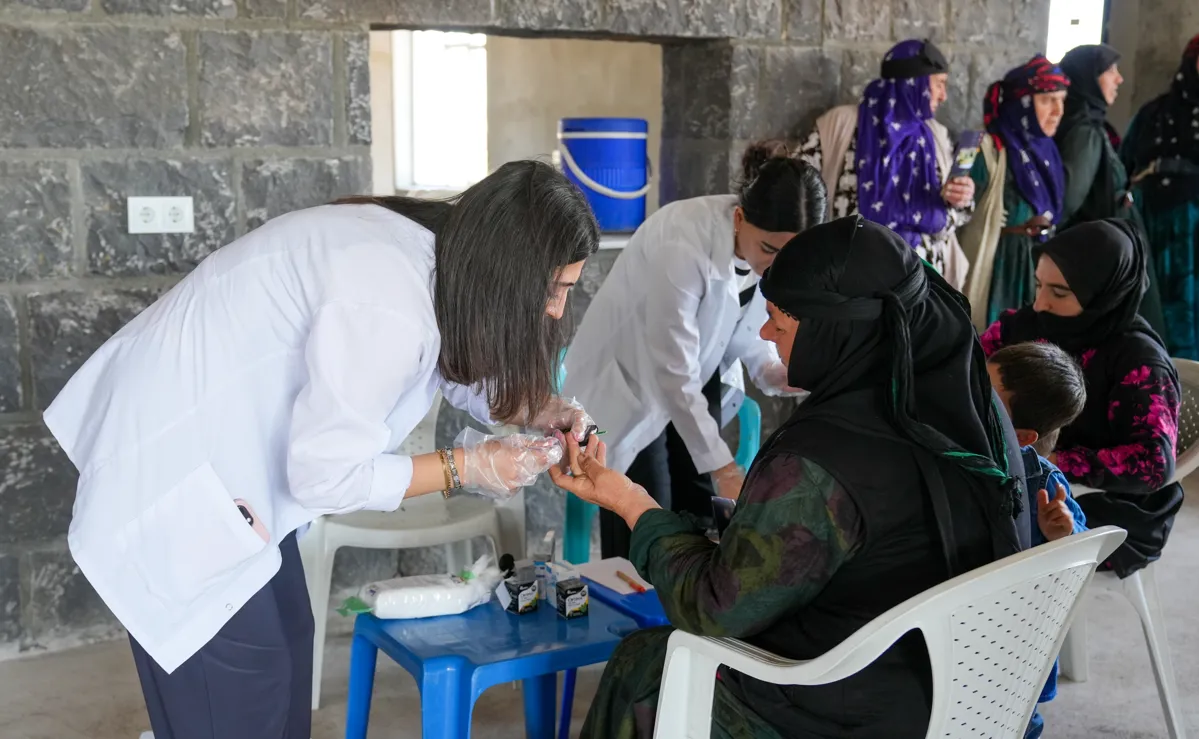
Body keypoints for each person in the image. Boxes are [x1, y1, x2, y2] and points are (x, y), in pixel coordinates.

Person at [41, 161, 599, 739]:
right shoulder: (390, 296)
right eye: (553, 289)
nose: (557, 310)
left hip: (226, 472)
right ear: (507, 269)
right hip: (172, 475)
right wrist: (469, 466)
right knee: (247, 687)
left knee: (287, 645)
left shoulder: (439, 257)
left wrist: (540, 408)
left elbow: (451, 355)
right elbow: (326, 476)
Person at [553, 215, 1024, 739]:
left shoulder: (825, 458)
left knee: (644, 661)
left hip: (842, 711)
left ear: (833, 328)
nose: (764, 333)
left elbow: (713, 609)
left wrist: (631, 502)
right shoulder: (972, 405)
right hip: (959, 692)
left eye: (779, 321)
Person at [563, 142, 822, 558]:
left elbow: (750, 336)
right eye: (769, 251)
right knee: (643, 519)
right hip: (630, 385)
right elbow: (673, 371)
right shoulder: (683, 242)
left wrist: (783, 374)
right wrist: (724, 468)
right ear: (739, 219)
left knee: (700, 518)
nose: (778, 267)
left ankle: (691, 597)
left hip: (696, 379)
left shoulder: (769, 253)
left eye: (790, 256)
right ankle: (637, 601)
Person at [981, 218, 1183, 578]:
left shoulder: (1138, 360)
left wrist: (1050, 461)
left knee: (997, 541)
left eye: (1059, 293)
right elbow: (970, 378)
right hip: (1021, 473)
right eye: (1038, 285)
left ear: (1103, 292)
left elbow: (1153, 464)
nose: (1040, 304)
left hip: (1112, 504)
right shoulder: (1021, 326)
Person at [798, 38, 975, 288]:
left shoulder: (936, 135)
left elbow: (956, 214)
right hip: (851, 282)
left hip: (923, 284)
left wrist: (961, 197)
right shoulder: (841, 125)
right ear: (915, 83)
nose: (943, 96)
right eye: (939, 84)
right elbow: (798, 185)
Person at [986, 341, 1088, 739]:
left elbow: (1081, 560)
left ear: (1023, 436)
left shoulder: (1043, 482)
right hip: (969, 617)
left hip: (1017, 642)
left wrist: (1061, 534)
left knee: (1016, 720)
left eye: (990, 397)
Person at [1055, 44, 1167, 336]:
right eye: (1110, 71)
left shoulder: (1089, 124)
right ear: (1089, 78)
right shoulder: (1085, 131)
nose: (1119, 78)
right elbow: (1070, 198)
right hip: (1105, 250)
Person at [960, 55, 1071, 329]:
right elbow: (957, 209)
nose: (1058, 110)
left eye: (1061, 100)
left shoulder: (1047, 150)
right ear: (1021, 104)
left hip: (1039, 264)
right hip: (1002, 266)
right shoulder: (985, 147)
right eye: (1047, 100)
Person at [1121, 34, 1199, 359]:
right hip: (1152, 222)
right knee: (1150, 300)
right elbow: (1125, 162)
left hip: (1194, 228)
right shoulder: (1154, 113)